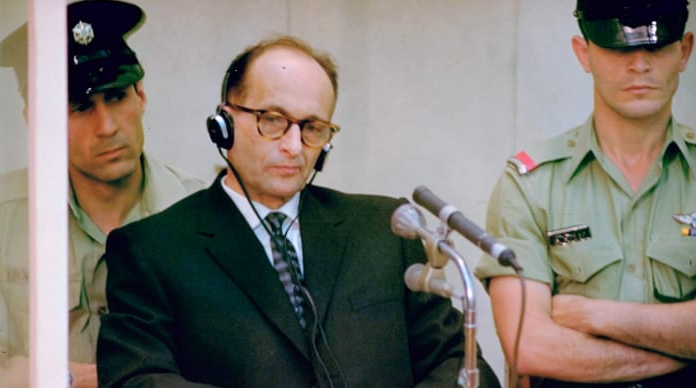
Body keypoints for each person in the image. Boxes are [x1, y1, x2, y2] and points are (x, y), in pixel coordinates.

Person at [96, 35, 501, 387]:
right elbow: (135, 378)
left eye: (312, 128)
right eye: (273, 120)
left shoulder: (386, 229)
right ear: (224, 122)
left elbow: (464, 366)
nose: (293, 145)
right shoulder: (152, 249)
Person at [475, 0, 696, 386]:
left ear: (685, 50)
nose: (639, 64)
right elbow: (530, 347)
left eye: (657, 46)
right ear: (584, 53)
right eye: (617, 47)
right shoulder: (531, 184)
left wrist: (596, 316)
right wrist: (682, 352)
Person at [0, 1, 206, 386]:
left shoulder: (202, 214)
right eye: (80, 107)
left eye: (117, 97)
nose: (106, 126)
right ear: (36, 121)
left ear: (140, 95)